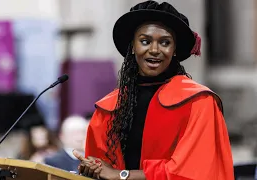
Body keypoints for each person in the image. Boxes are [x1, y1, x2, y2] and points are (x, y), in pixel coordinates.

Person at [72, 1, 234, 180]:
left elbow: (194, 171)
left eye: (165, 42)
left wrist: (122, 175)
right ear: (132, 47)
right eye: (145, 41)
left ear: (174, 50)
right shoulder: (109, 108)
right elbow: (102, 168)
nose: (155, 50)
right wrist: (93, 169)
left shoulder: (198, 102)